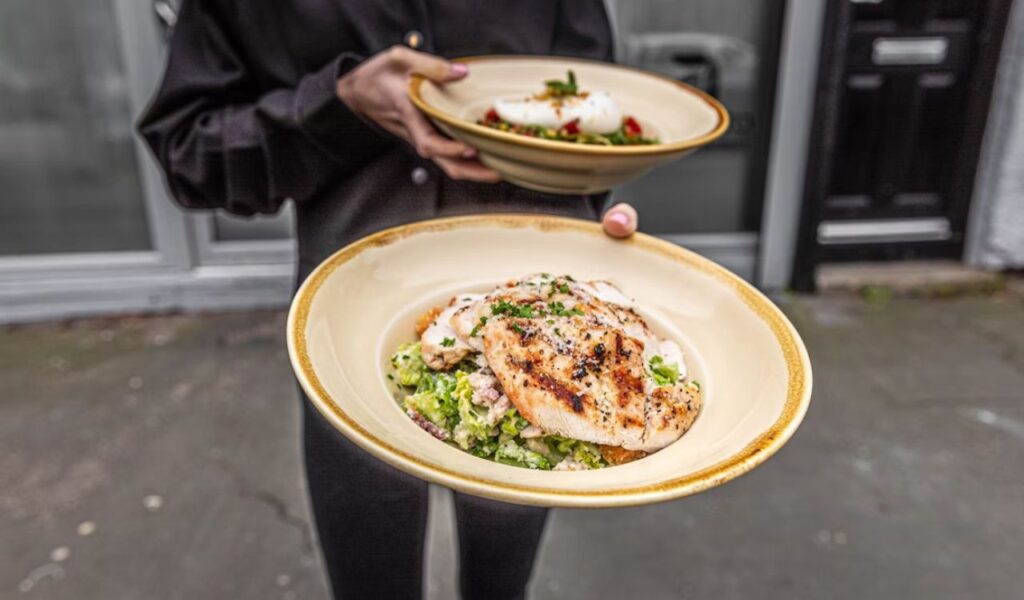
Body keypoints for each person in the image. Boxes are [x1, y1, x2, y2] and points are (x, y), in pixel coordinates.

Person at [139, 1, 638, 598]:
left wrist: (595, 248)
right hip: (349, 337)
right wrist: (339, 104)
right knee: (369, 571)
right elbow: (190, 154)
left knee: (502, 574)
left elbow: (594, 119)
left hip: (542, 337)